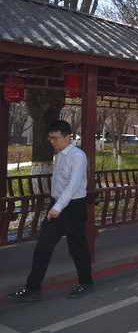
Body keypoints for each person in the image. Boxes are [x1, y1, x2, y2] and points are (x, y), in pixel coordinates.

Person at [6, 120, 94, 303]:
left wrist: (57, 208)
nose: (52, 141)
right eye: (50, 138)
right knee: (43, 247)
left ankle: (86, 282)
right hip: (56, 206)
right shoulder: (60, 155)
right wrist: (55, 205)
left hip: (73, 207)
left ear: (67, 137)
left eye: (55, 138)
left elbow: (72, 186)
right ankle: (32, 288)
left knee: (77, 248)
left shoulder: (78, 156)